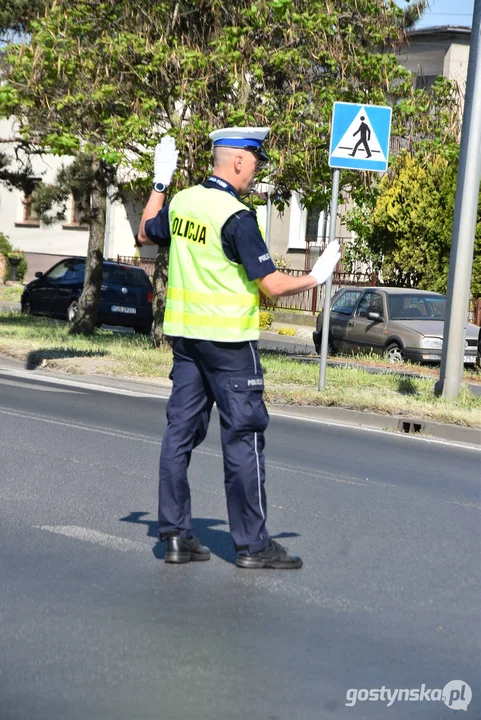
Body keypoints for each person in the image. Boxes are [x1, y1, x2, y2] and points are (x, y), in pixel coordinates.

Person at [137, 127, 340, 569]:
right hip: (230, 345)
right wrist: (315, 278)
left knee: (178, 437)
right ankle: (253, 545)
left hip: (187, 342)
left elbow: (144, 233)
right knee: (244, 441)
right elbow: (271, 285)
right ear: (238, 162)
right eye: (255, 163)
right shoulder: (237, 217)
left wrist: (159, 183)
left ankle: (175, 537)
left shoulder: (183, 202)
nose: (256, 172)